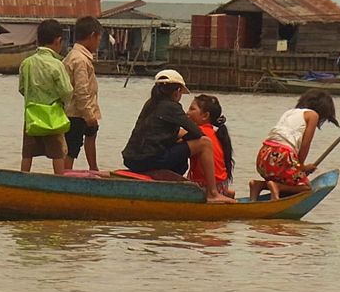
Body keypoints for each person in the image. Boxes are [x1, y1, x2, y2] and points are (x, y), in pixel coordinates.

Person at [121, 69, 233, 202]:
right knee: (205, 143)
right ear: (177, 92)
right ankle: (213, 194)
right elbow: (198, 134)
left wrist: (179, 138)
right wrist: (181, 139)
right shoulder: (172, 107)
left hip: (131, 159)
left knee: (181, 161)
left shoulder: (150, 104)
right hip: (149, 160)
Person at [249, 89, 340, 200]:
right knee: (306, 187)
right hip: (282, 156)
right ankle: (277, 187)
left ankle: (258, 185)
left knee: (288, 180)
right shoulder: (313, 115)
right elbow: (305, 144)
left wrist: (298, 169)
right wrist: (301, 167)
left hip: (264, 156)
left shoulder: (290, 112)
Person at [18, 19, 73, 174]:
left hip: (31, 114)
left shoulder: (26, 63)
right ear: (58, 41)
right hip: (53, 115)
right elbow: (67, 91)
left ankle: (22, 180)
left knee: (27, 153)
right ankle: (59, 182)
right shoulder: (57, 64)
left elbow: (22, 88)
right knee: (57, 154)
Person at [63, 15, 103, 172]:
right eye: (99, 39)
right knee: (72, 149)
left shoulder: (75, 56)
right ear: (92, 36)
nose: (99, 43)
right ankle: (64, 177)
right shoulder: (79, 60)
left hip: (82, 110)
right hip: (77, 112)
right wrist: (88, 114)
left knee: (92, 133)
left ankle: (93, 169)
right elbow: (81, 90)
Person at [186, 93, 235, 198]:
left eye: (192, 109)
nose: (187, 113)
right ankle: (226, 192)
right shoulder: (213, 133)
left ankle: (218, 194)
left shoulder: (199, 133)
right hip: (221, 184)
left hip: (207, 186)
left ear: (205, 116)